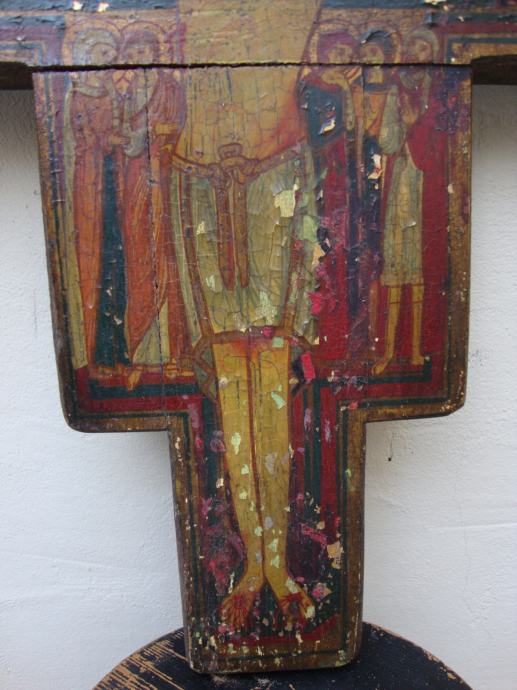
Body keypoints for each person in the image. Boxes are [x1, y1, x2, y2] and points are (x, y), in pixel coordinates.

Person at [372, 28, 441, 375]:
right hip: (401, 180)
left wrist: (417, 125)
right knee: (397, 263)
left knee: (418, 265)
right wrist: (403, 129)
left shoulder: (437, 90)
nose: (417, 53)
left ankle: (415, 350)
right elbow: (385, 139)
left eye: (424, 47)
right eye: (413, 46)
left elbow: (442, 136)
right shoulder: (397, 89)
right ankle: (388, 350)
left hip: (427, 184)